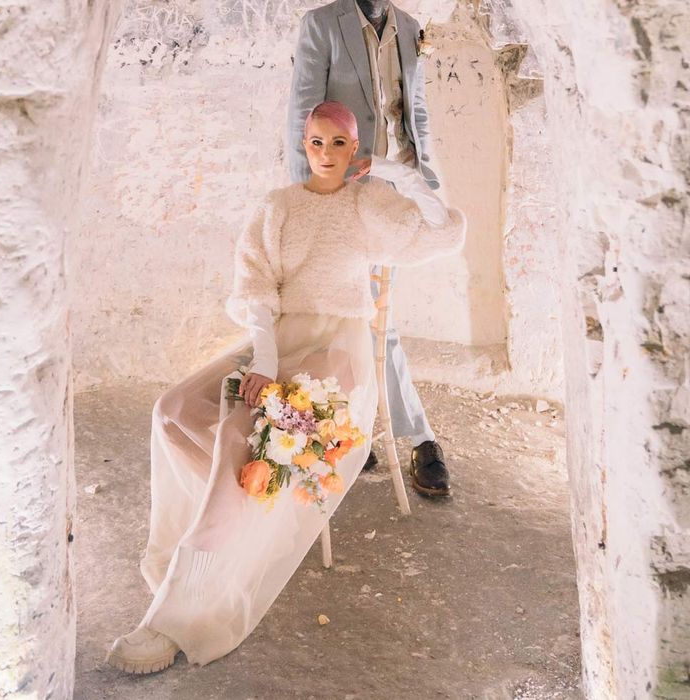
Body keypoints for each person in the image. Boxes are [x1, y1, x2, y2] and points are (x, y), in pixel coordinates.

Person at [105, 101, 465, 674]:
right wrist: (265, 359)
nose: (326, 155)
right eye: (317, 142)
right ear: (304, 143)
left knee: (239, 446)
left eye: (339, 144)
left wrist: (397, 173)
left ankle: (178, 619)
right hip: (277, 340)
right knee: (172, 411)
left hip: (337, 355)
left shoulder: (367, 203)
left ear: (354, 151)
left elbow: (441, 235)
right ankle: (189, 547)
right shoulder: (278, 207)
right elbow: (253, 285)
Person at [287, 0, 452, 497]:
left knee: (376, 316)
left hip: (395, 192)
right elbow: (303, 112)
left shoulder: (407, 27)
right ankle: (417, 439)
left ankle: (355, 434)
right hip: (343, 193)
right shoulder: (320, 25)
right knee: (370, 318)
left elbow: (413, 110)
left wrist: (426, 185)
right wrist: (308, 198)